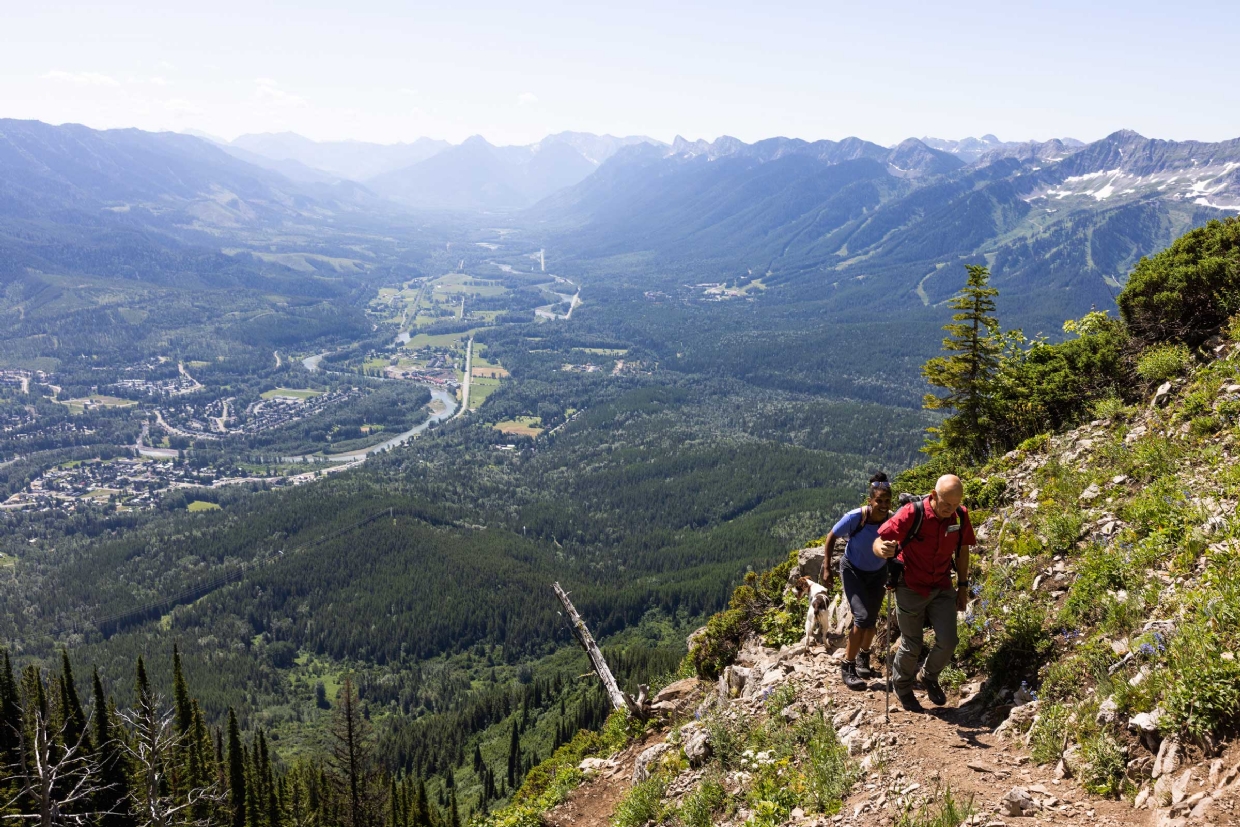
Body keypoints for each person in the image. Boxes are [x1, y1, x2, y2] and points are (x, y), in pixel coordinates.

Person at [872, 474, 975, 713]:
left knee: (949, 641)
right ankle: (902, 687)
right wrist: (882, 550)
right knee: (912, 643)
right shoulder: (912, 513)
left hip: (941, 585)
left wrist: (962, 586)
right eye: (946, 504)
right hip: (910, 585)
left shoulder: (960, 516)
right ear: (933, 495)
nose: (951, 510)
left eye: (955, 504)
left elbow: (962, 551)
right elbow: (880, 539)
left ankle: (928, 675)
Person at [823, 473, 893, 690]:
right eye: (878, 500)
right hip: (853, 570)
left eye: (886, 501)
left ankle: (864, 657)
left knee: (871, 621)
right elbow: (831, 536)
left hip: (878, 572)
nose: (882, 505)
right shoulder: (856, 517)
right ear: (869, 501)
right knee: (861, 618)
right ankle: (848, 665)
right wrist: (826, 567)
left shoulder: (891, 519)